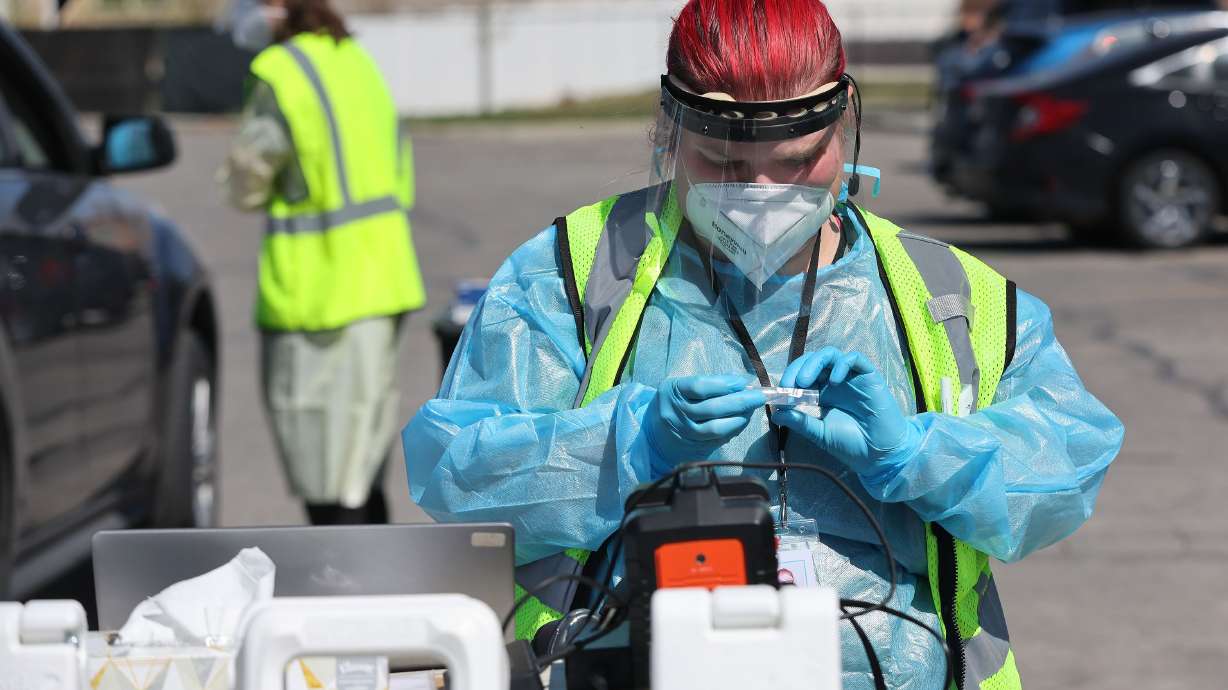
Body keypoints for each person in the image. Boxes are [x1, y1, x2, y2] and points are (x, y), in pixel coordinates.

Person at [403, 1, 1123, 688]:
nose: (763, 191)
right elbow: (459, 480)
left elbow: (1064, 469)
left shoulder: (948, 297)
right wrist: (627, 443)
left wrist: (913, 454)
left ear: (844, 126)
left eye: (798, 161)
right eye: (722, 164)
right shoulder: (574, 272)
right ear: (669, 132)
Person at [220, 0, 426, 525]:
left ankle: (346, 590)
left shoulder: (281, 72)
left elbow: (248, 181)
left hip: (321, 294)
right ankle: (381, 587)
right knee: (360, 464)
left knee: (326, 475)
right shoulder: (352, 58)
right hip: (384, 280)